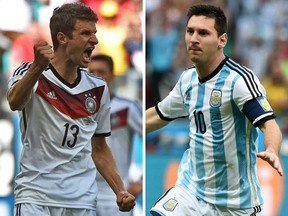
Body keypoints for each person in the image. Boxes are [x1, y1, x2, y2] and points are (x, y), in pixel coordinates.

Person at [146, 4, 283, 216]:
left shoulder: (238, 81)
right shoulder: (187, 80)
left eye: (203, 33)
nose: (194, 38)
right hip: (190, 192)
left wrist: (272, 149)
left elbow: (269, 124)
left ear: (222, 40)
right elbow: (158, 115)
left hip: (234, 204)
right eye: (190, 31)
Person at [7, 3, 135, 216]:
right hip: (36, 196)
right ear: (62, 38)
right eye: (85, 33)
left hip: (80, 199)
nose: (94, 40)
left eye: (94, 33)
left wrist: (119, 190)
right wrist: (37, 68)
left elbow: (100, 148)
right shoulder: (30, 73)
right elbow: (14, 102)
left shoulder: (98, 88)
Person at [88, 54, 142, 216]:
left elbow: (149, 136)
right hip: (83, 192)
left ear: (112, 76)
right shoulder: (77, 110)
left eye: (101, 72)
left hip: (116, 194)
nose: (96, 76)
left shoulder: (126, 108)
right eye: (92, 72)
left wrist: (140, 182)